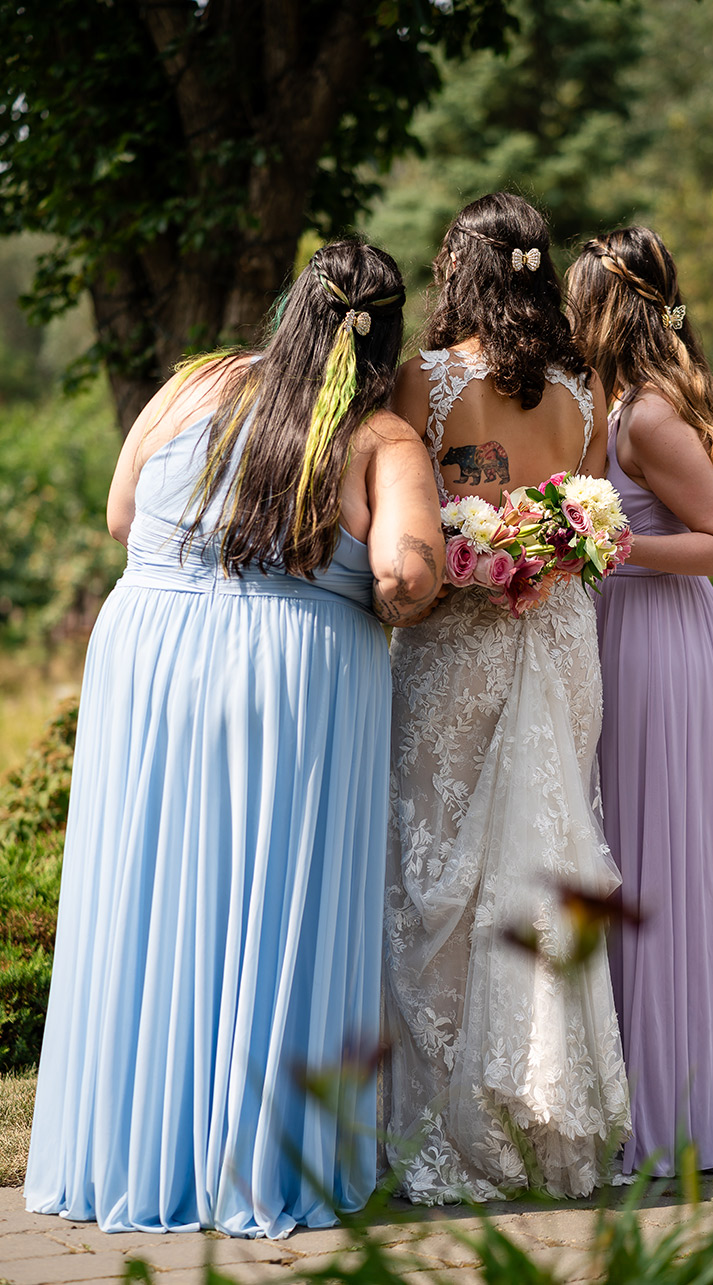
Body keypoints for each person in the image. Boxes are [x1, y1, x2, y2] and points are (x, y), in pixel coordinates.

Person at [24, 240, 444, 1237]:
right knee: (275, 893)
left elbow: (123, 512)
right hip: (292, 672)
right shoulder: (380, 436)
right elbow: (403, 578)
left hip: (151, 659)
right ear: (384, 336)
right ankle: (260, 1161)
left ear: (289, 308)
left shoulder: (191, 385)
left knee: (152, 892)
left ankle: (129, 1153)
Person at [383, 193, 631, 1205]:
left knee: (437, 873)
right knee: (541, 858)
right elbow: (592, 518)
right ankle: (542, 1118)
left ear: (461, 270)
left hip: (461, 640)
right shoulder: (582, 390)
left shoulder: (423, 382)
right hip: (562, 637)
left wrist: (482, 548)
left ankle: (445, 1126)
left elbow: (409, 525)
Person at [566, 226, 713, 1176]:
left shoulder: (648, 417)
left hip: (663, 640)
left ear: (606, 310)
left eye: (578, 303)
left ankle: (670, 1117)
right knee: (633, 860)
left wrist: (609, 542)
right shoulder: (615, 409)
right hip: (629, 633)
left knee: (659, 865)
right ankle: (648, 1100)